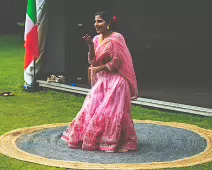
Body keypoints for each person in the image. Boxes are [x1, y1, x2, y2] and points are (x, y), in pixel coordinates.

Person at [61, 11, 138, 152]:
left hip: (117, 81)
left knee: (111, 112)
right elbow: (92, 60)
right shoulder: (96, 39)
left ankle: (118, 142)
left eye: (100, 21)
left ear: (108, 23)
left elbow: (117, 62)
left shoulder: (117, 38)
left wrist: (98, 69)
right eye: (95, 21)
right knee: (91, 107)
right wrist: (91, 45)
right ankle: (94, 139)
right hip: (102, 81)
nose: (96, 24)